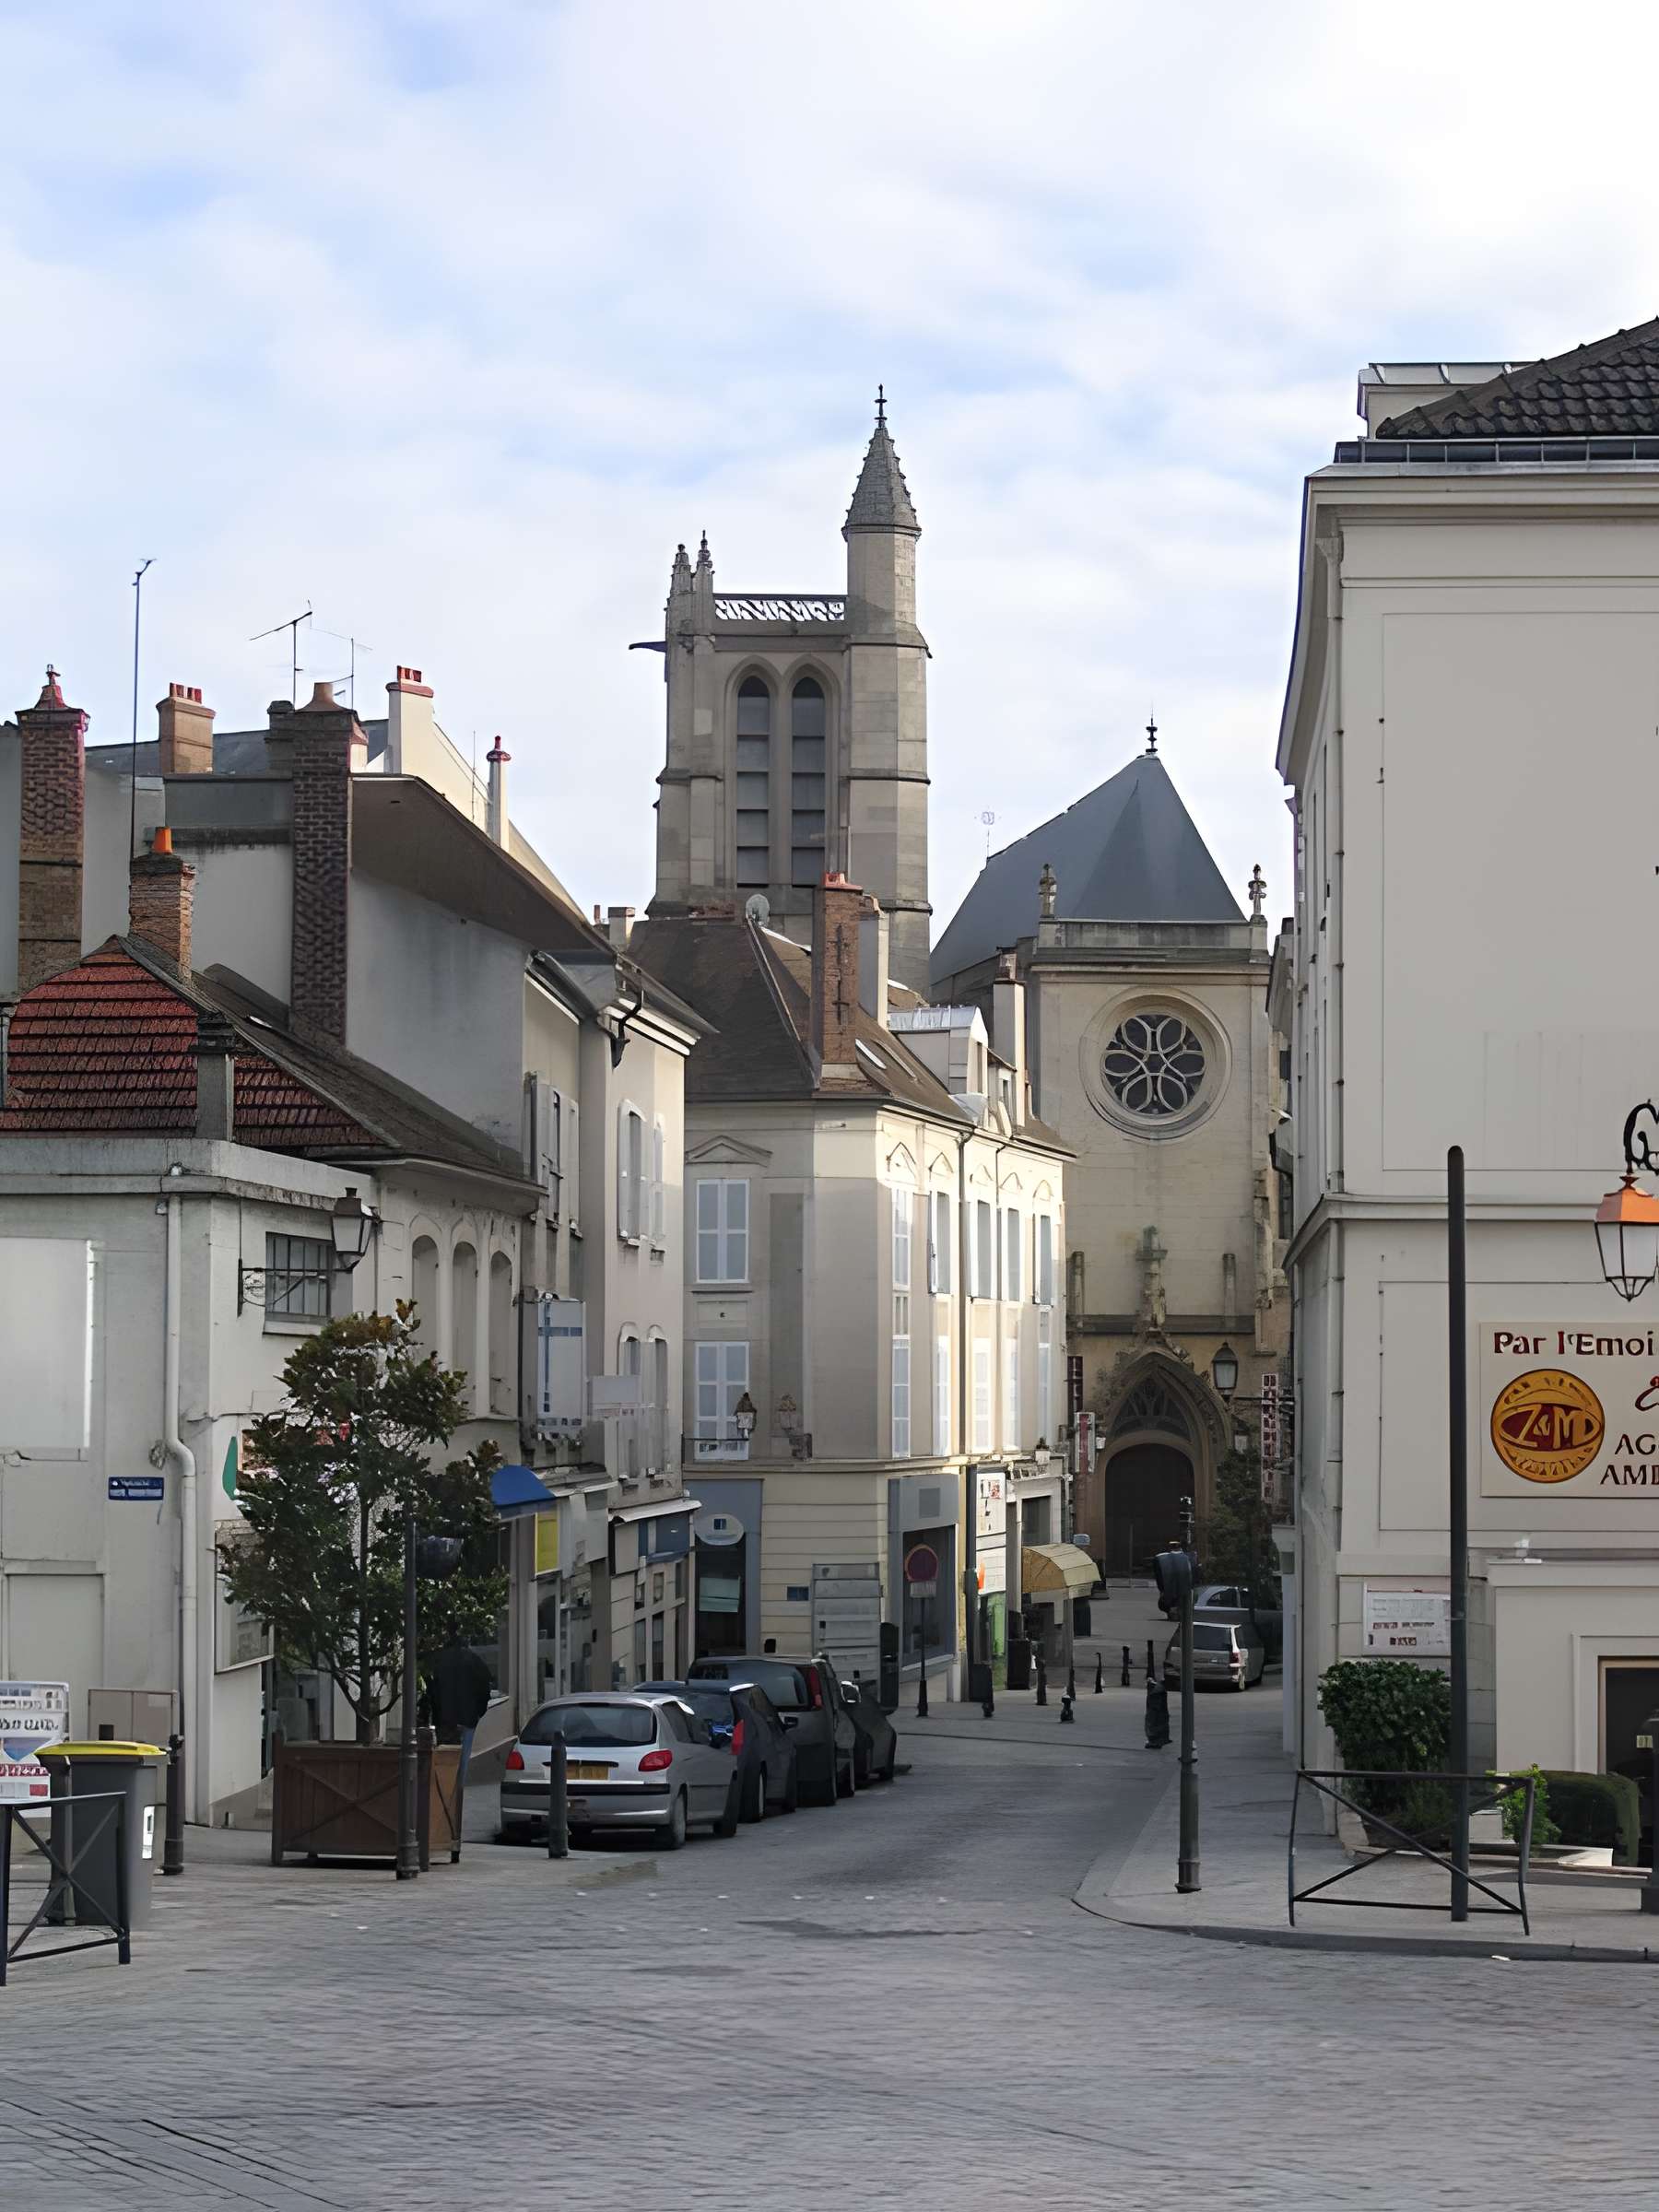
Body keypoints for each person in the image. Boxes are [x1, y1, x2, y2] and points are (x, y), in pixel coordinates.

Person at [427, 1643, 493, 1794]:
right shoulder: (474, 1660)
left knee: (445, 1758)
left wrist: (438, 1712)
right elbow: (485, 1689)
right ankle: (457, 1794)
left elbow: (433, 1689)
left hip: (447, 1718)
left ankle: (445, 1791)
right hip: (468, 1717)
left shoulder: (441, 1659)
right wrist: (479, 1712)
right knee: (464, 1759)